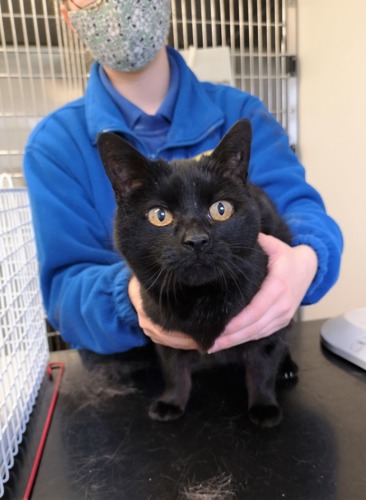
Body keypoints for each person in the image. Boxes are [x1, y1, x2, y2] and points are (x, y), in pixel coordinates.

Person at [23, 0, 343, 354]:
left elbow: (304, 212)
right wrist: (134, 297)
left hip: (252, 353)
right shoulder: (54, 145)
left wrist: (307, 259)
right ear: (67, 13)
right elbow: (64, 297)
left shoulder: (240, 112)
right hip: (133, 372)